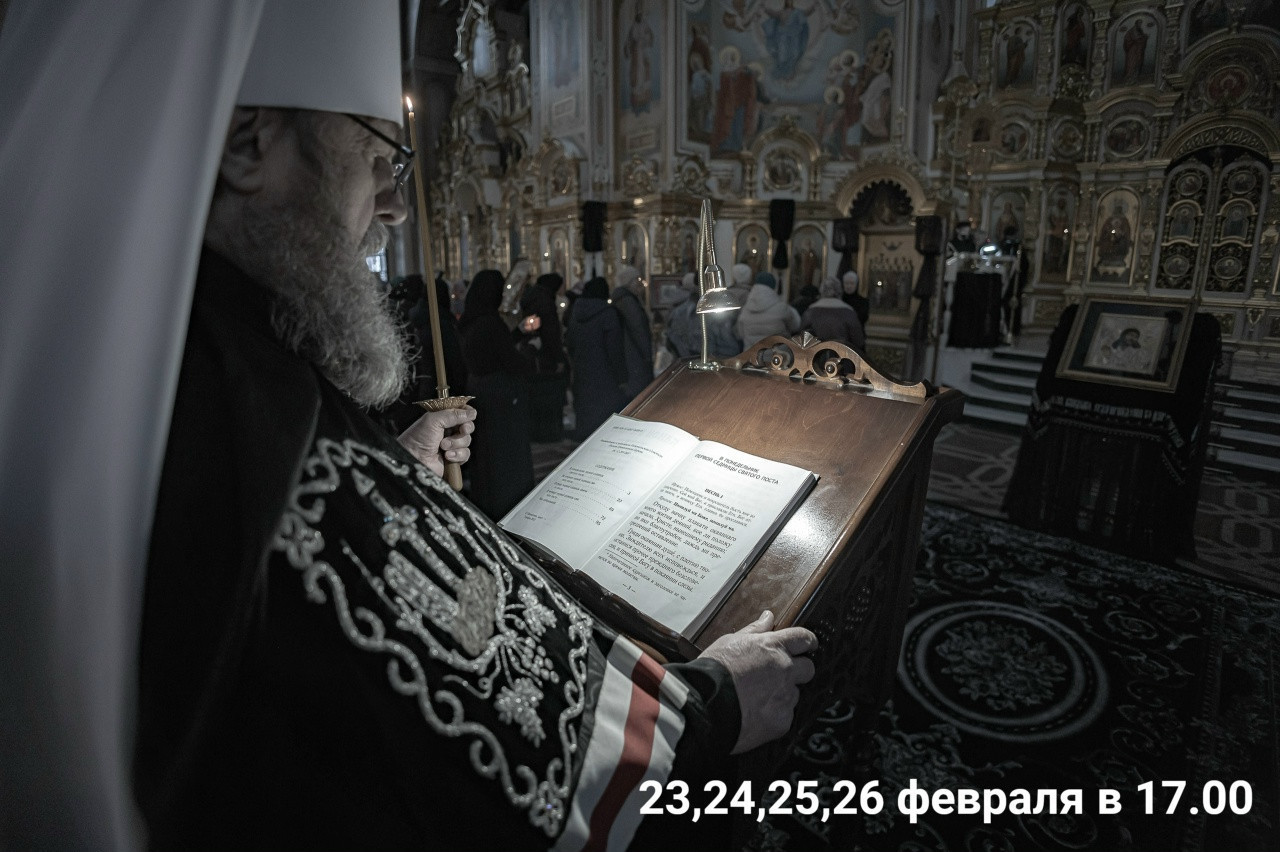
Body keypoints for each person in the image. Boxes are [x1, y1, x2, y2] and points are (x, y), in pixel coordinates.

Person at [136, 6, 818, 849]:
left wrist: (393, 466)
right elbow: (490, 747)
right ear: (249, 146)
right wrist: (712, 708)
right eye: (377, 158)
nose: (394, 205)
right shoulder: (229, 421)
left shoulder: (212, 343)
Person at [458, 268, 536, 518]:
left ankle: (489, 503)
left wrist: (516, 333)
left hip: (478, 390)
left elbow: (491, 349)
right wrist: (531, 353)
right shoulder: (491, 322)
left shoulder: (471, 319)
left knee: (487, 456)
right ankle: (510, 507)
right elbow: (509, 360)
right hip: (499, 396)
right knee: (505, 457)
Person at [565, 277, 630, 438]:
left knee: (586, 416)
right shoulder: (608, 314)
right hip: (605, 374)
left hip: (582, 372)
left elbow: (570, 343)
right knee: (605, 423)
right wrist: (622, 377)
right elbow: (614, 349)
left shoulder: (576, 313)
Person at [611, 264, 654, 400]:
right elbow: (638, 328)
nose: (640, 284)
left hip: (630, 352)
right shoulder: (628, 301)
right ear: (629, 282)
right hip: (634, 355)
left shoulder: (624, 299)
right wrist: (647, 354)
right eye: (637, 280)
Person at [736, 271, 801, 348]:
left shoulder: (745, 309)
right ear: (773, 286)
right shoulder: (782, 308)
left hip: (752, 353)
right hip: (778, 353)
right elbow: (795, 326)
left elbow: (740, 333)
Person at [804, 276, 867, 354]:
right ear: (840, 291)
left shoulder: (811, 311)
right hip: (842, 357)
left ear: (822, 290)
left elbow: (801, 339)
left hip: (815, 357)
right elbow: (858, 341)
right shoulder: (849, 312)